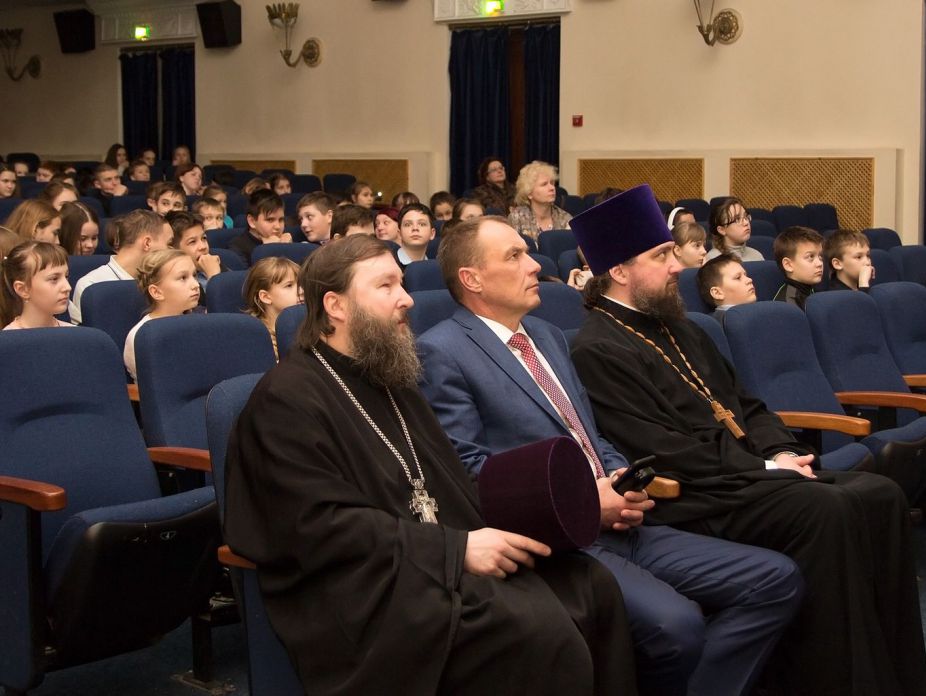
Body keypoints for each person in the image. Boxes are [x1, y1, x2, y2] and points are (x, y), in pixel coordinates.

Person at [223, 235, 638, 695]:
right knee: (536, 630)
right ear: (336, 306)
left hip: (429, 554)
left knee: (592, 585)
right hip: (360, 585)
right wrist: (454, 550)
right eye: (386, 286)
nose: (407, 299)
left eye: (402, 284)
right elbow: (316, 526)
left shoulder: (391, 378)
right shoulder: (286, 400)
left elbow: (450, 482)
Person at [568, 184, 926, 696]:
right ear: (620, 271)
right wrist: (768, 470)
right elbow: (663, 450)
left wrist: (782, 451)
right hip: (695, 495)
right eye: (661, 256)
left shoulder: (683, 329)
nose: (677, 267)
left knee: (881, 494)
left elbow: (748, 406)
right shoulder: (597, 348)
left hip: (744, 476)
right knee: (824, 510)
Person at [419, 216, 804, 696]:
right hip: (558, 541)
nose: (534, 265)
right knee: (676, 625)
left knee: (776, 579)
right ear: (472, 279)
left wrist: (620, 474)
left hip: (620, 521)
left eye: (527, 252)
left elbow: (586, 430)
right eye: (514, 256)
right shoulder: (442, 352)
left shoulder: (546, 335)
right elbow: (471, 472)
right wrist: (584, 501)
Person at [70, 209, 173, 324]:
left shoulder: (163, 281)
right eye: (169, 244)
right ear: (147, 243)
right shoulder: (91, 285)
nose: (172, 251)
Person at [124, 249, 201, 380]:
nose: (196, 285)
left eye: (194, 275)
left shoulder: (199, 324)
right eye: (183, 278)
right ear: (157, 292)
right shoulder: (141, 337)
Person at [0, 241, 74, 329]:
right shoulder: (9, 337)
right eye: (54, 279)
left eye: (66, 276)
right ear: (23, 289)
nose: (68, 287)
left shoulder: (75, 333)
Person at [242, 256, 301, 360]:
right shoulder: (255, 338)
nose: (301, 291)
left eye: (301, 284)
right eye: (289, 285)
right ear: (265, 297)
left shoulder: (310, 327)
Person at [506, 161, 572, 240]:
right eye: (544, 184)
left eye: (552, 183)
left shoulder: (565, 218)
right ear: (529, 193)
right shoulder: (516, 218)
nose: (552, 188)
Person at [229, 190, 291, 265]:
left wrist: (289, 249)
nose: (278, 226)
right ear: (252, 221)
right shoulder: (237, 248)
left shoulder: (286, 240)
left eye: (281, 220)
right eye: (270, 220)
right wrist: (269, 250)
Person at [772, 226, 824, 309]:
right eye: (810, 257)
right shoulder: (787, 305)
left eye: (820, 257)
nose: (820, 263)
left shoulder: (812, 289)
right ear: (788, 265)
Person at [167, 210, 221, 291]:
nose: (203, 247)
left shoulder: (216, 264)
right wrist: (214, 276)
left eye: (204, 238)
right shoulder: (177, 283)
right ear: (174, 249)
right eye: (192, 242)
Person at [697, 255, 756, 321]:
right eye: (738, 278)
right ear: (717, 293)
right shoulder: (724, 322)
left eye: (745, 275)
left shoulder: (755, 313)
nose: (749, 280)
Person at [705, 197, 763, 262]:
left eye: (746, 217)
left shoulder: (757, 256)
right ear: (722, 230)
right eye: (737, 219)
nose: (746, 222)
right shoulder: (713, 260)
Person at [395, 202, 434, 269]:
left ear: (432, 234)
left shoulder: (435, 268)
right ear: (399, 234)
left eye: (422, 224)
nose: (415, 228)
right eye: (407, 224)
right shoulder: (389, 263)